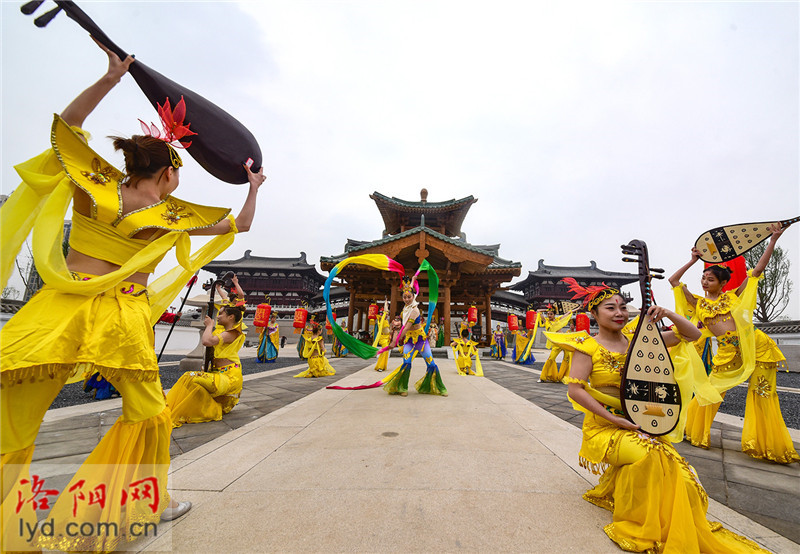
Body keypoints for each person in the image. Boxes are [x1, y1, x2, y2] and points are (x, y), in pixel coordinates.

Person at [0, 43, 264, 552]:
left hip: (57, 307)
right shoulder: (168, 214)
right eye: (177, 177)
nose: (176, 186)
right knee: (148, 412)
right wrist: (253, 185)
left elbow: (67, 131)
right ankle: (144, 501)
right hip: (119, 317)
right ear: (166, 174)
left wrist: (110, 79)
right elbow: (242, 223)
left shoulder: (93, 186)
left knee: (12, 415)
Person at [546, 283, 768, 553]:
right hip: (606, 428)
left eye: (622, 307)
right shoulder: (587, 346)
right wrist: (616, 421)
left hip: (640, 423)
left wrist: (669, 314)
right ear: (595, 314)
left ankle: (668, 519)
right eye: (610, 308)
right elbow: (576, 390)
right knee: (648, 454)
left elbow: (693, 334)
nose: (619, 312)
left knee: (684, 476)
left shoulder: (641, 339)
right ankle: (641, 520)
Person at [669, 225, 798, 464]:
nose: (705, 282)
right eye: (703, 278)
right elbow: (674, 280)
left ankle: (768, 446)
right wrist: (693, 261)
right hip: (728, 353)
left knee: (762, 394)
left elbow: (758, 270)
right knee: (710, 391)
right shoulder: (697, 303)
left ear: (722, 283)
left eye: (710, 279)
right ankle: (693, 430)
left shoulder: (732, 297)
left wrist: (773, 240)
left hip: (758, 348)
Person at [167, 305, 246, 427]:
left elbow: (207, 341)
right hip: (218, 373)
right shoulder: (223, 331)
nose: (218, 316)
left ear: (231, 317)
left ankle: (171, 409)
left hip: (229, 377)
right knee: (191, 379)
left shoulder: (233, 333)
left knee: (190, 376)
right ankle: (171, 408)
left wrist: (209, 326)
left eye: (221, 314)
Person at [383, 275, 447, 396]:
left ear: (414, 297)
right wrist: (412, 280)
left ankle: (438, 388)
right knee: (406, 363)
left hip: (420, 340)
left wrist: (394, 342)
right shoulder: (406, 308)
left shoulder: (414, 310)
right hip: (409, 341)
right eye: (404, 297)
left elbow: (406, 328)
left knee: (431, 364)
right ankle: (402, 387)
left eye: (409, 297)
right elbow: (410, 288)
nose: (407, 299)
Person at [539, 304, 575, 382]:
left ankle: (561, 377)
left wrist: (577, 308)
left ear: (554, 315)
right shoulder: (546, 321)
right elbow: (538, 311)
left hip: (563, 340)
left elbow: (567, 314)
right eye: (548, 314)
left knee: (566, 358)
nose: (549, 315)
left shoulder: (558, 319)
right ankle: (543, 377)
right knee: (551, 358)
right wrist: (547, 309)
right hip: (555, 343)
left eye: (551, 314)